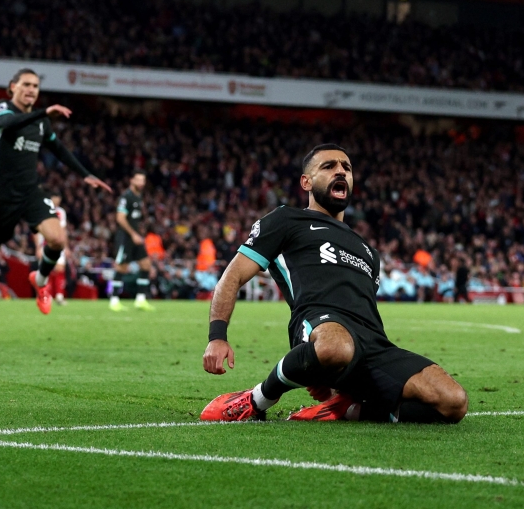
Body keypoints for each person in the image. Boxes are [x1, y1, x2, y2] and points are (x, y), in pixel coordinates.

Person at [200, 143, 467, 424]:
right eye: (329, 166)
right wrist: (217, 337)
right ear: (306, 182)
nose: (341, 171)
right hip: (320, 323)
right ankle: (256, 400)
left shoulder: (368, 251)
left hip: (373, 343)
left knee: (453, 402)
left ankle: (347, 409)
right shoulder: (287, 220)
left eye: (346, 168)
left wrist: (321, 372)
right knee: (336, 346)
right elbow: (232, 275)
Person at [0, 68, 111, 343]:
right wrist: (44, 112)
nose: (31, 90)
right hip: (1, 197)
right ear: (13, 87)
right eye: (26, 84)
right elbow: (7, 123)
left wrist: (85, 174)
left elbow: (58, 148)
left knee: (57, 239)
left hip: (30, 192)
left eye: (35, 86)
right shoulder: (3, 109)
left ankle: (41, 279)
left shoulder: (41, 123)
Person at [109, 170, 153, 311]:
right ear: (131, 180)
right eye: (138, 180)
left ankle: (140, 299)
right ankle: (114, 300)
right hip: (125, 237)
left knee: (146, 265)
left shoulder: (138, 197)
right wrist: (133, 234)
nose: (141, 183)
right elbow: (120, 218)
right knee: (122, 267)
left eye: (143, 180)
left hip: (136, 237)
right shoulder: (126, 197)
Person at [35, 189, 69, 306]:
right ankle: (45, 296)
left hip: (58, 244)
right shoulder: (42, 210)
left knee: (60, 268)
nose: (57, 202)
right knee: (46, 270)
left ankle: (59, 296)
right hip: (44, 244)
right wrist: (38, 247)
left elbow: (63, 230)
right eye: (56, 200)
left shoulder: (61, 212)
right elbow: (36, 231)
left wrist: (66, 247)